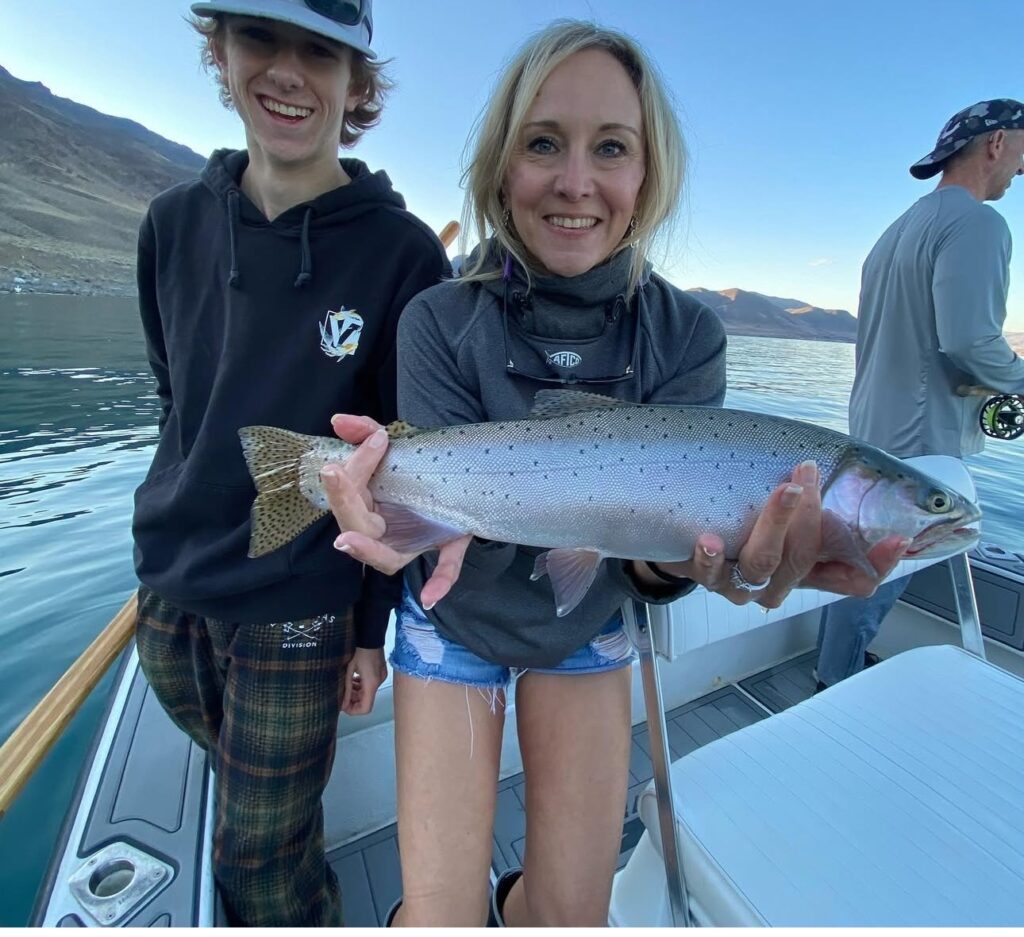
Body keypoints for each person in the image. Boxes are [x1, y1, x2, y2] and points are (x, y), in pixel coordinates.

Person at [323, 21, 907, 926]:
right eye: (544, 143)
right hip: (454, 615)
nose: (576, 181)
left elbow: (651, 557)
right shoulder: (438, 319)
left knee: (572, 916)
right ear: (502, 162)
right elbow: (438, 508)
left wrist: (686, 562)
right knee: (438, 917)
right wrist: (393, 515)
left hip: (587, 619)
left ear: (647, 175)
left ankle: (521, 901)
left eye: (612, 149)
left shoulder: (688, 336)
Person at [130, 0, 449, 925]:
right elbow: (174, 400)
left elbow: (398, 462)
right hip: (167, 588)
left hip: (299, 604)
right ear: (220, 50)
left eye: (320, 49)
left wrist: (366, 630)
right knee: (251, 805)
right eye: (260, 37)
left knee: (258, 860)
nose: (286, 70)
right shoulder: (170, 224)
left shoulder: (402, 252)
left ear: (358, 83)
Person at [815, 99, 1024, 692]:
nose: (1023, 168)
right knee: (884, 564)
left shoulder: (896, 229)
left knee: (864, 557)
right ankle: (837, 680)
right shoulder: (980, 223)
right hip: (921, 436)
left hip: (871, 426)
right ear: (995, 143)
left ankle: (837, 667)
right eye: (1023, 151)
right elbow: (969, 339)